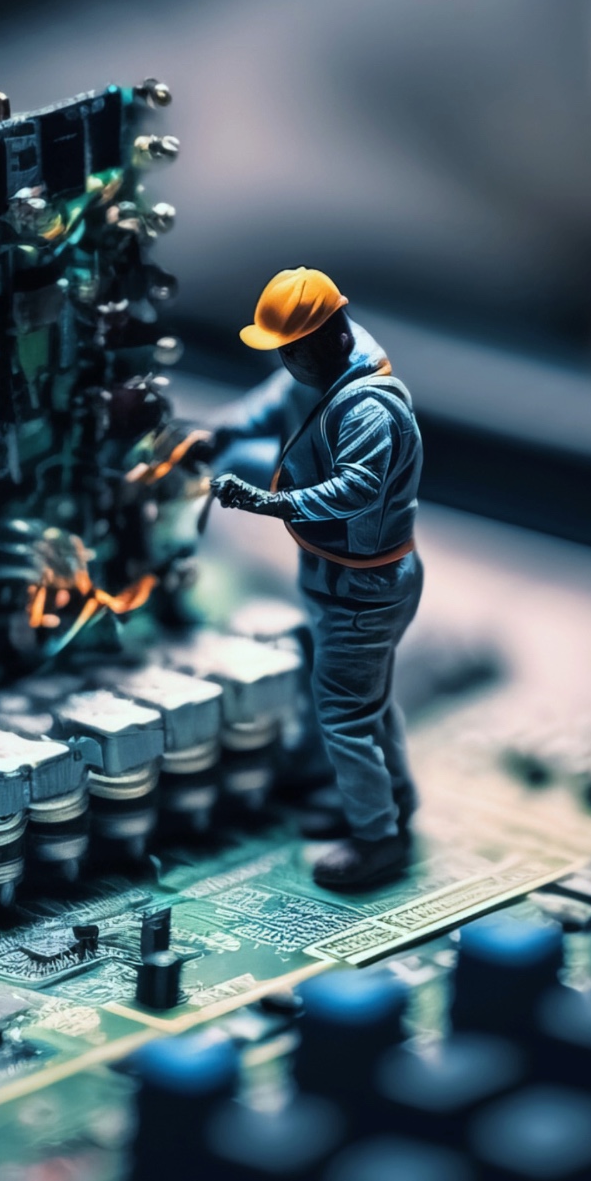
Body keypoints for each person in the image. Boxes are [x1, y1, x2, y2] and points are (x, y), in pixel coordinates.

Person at [209, 269, 425, 889]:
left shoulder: (368, 408)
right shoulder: (313, 374)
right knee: (368, 707)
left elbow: (356, 492)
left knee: (345, 718)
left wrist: (263, 501)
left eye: (291, 348)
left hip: (365, 586)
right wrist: (217, 433)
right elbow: (269, 404)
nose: (283, 360)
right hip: (335, 578)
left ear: (328, 337)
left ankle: (377, 840)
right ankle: (388, 803)